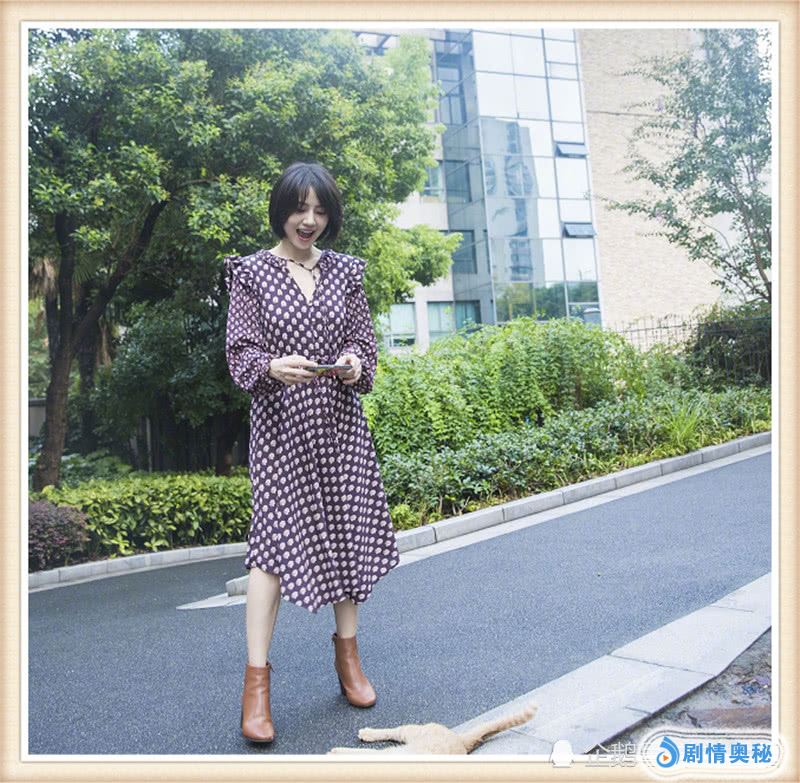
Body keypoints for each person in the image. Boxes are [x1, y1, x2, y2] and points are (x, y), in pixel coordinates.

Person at [223, 161, 400, 744]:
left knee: (348, 536)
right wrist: (272, 367)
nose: (309, 220)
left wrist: (352, 363)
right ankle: (256, 686)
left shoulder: (346, 271)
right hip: (281, 430)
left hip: (339, 427)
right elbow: (240, 355)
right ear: (282, 209)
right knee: (270, 551)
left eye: (320, 210)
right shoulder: (251, 273)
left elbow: (364, 347)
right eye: (300, 208)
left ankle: (349, 659)